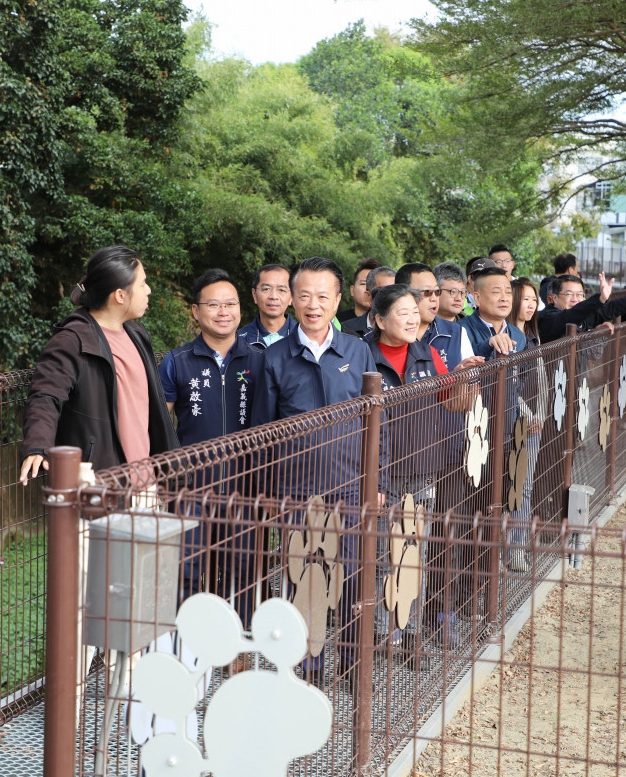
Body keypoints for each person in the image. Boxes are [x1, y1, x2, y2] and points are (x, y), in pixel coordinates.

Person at [250, 257, 378, 687]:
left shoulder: (358, 350)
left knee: (353, 575)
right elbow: (261, 431)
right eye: (303, 295)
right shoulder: (276, 357)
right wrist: (266, 492)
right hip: (295, 487)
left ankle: (353, 664)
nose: (312, 304)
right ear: (290, 298)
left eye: (323, 296)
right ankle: (308, 666)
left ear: (338, 300)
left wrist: (374, 481)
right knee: (301, 578)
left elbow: (374, 423)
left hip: (350, 483)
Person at [365, 284, 478, 669]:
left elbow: (450, 399)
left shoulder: (426, 352)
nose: (413, 318)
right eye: (403, 312)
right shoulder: (363, 354)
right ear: (379, 320)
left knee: (416, 553)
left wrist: (460, 376)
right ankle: (384, 635)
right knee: (382, 556)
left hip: (422, 467)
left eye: (415, 311)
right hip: (380, 472)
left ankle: (411, 636)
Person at [159, 269, 263, 636]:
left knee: (241, 569)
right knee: (187, 565)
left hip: (245, 485)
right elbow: (160, 421)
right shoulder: (177, 361)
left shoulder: (259, 360)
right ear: (196, 311)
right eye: (214, 304)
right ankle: (187, 641)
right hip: (191, 487)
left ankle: (235, 643)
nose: (223, 312)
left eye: (231, 304)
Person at [20, 245, 178, 484]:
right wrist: (37, 445)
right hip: (101, 486)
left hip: (147, 482)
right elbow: (45, 394)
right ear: (120, 295)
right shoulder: (72, 340)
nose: (149, 290)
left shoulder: (136, 332)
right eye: (142, 284)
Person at [505, 278, 548, 572]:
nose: (531, 305)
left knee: (525, 486)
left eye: (535, 299)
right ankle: (501, 550)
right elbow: (510, 385)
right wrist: (527, 413)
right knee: (506, 486)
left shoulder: (534, 338)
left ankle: (516, 550)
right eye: (526, 298)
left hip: (533, 424)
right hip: (512, 421)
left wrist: (540, 415)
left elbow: (541, 383)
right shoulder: (508, 337)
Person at [395, 263, 476, 370]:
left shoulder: (457, 333)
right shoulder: (390, 335)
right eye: (427, 292)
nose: (434, 298)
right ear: (402, 294)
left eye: (437, 292)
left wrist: (457, 380)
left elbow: (473, 385)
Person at [537, 270, 626, 343]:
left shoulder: (581, 316)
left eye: (579, 295)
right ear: (551, 299)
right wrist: (600, 299)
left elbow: (610, 309)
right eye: (568, 294)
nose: (575, 299)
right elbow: (570, 316)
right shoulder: (548, 318)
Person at [460, 266, 527, 358]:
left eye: (508, 292)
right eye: (496, 292)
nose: (504, 298)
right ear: (477, 298)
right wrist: (488, 345)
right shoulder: (460, 331)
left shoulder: (518, 336)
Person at [237, 264, 298, 350]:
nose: (273, 296)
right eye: (266, 289)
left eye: (281, 290)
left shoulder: (305, 338)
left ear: (291, 296)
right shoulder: (238, 341)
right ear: (254, 295)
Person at [341, 265, 396, 338]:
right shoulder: (346, 330)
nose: (390, 298)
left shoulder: (405, 329)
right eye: (383, 292)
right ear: (368, 296)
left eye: (394, 293)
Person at [337, 258, 383, 324]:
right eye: (363, 283)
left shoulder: (389, 323)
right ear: (352, 290)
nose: (369, 289)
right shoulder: (337, 322)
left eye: (374, 284)